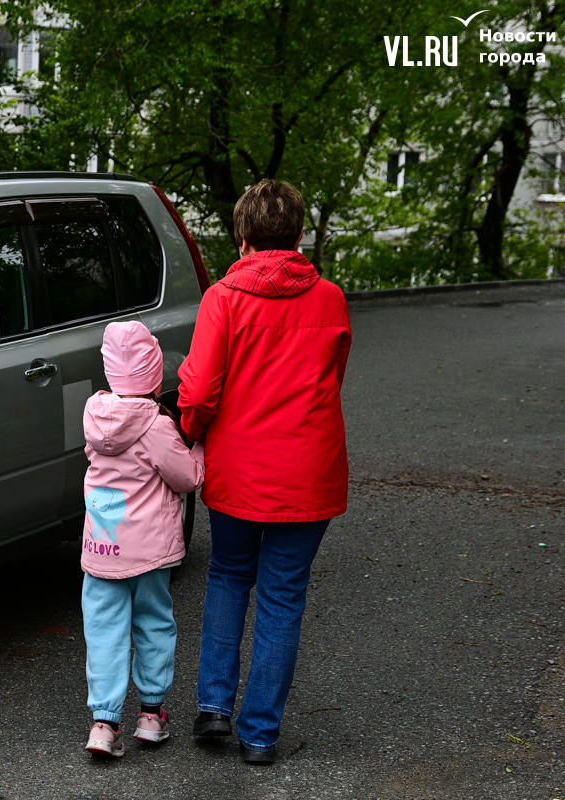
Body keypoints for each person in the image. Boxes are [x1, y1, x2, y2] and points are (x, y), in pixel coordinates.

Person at [178, 179, 352, 765]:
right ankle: (259, 734)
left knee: (228, 576)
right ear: (298, 234)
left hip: (238, 469)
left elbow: (199, 389)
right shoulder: (329, 298)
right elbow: (333, 378)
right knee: (283, 596)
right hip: (309, 470)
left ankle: (213, 708)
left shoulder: (223, 298)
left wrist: (190, 433)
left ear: (242, 235)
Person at [81, 320, 205, 758]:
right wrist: (200, 449)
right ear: (155, 375)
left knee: (103, 631)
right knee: (152, 623)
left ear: (110, 372)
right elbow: (187, 478)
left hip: (103, 548)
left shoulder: (94, 414)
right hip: (148, 552)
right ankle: (151, 715)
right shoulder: (155, 426)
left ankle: (103, 723)